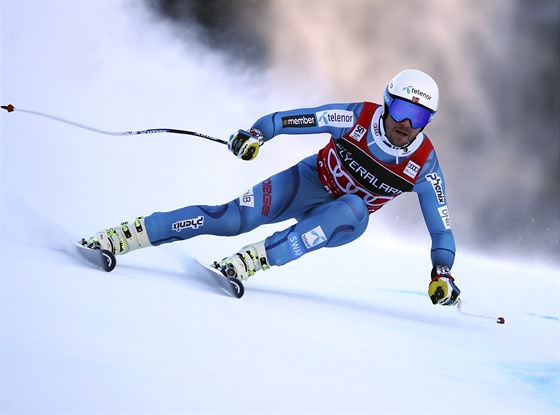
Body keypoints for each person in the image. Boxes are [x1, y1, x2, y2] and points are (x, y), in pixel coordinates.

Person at [84, 69, 461, 306]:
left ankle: (252, 260)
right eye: (400, 111)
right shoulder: (355, 117)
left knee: (354, 207)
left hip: (342, 220)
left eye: (420, 117)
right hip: (308, 181)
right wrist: (255, 134)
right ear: (385, 102)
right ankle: (126, 236)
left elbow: (441, 229)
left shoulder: (424, 165)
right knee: (231, 218)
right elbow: (288, 120)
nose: (406, 124)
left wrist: (441, 272)